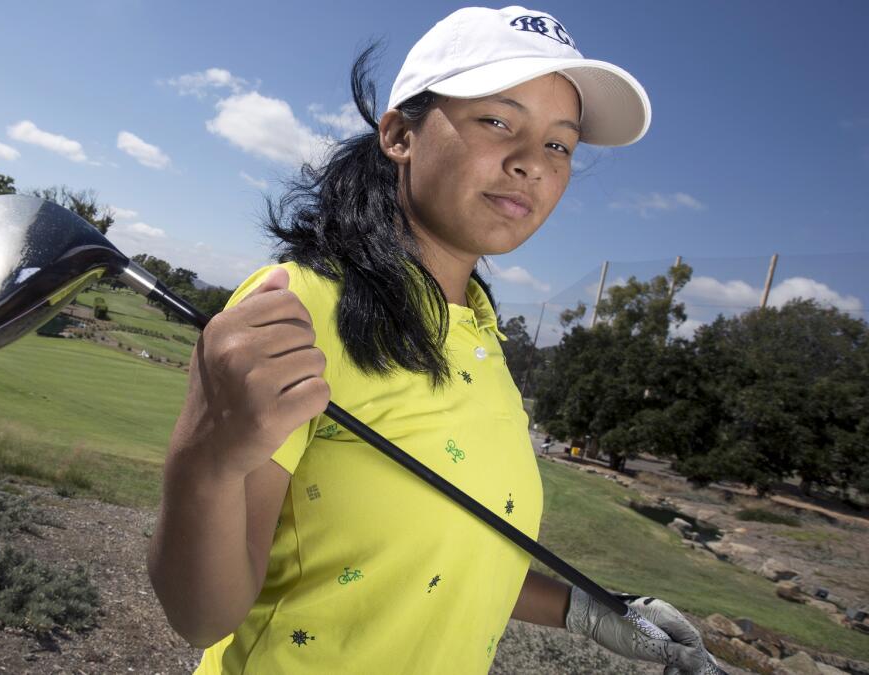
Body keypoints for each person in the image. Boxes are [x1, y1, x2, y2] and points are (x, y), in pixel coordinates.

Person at [147, 6, 718, 673]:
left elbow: (443, 557)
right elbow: (200, 614)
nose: (532, 162)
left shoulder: (481, 335)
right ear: (399, 135)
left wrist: (583, 608)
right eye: (498, 121)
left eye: (559, 144)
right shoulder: (299, 305)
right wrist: (203, 461)